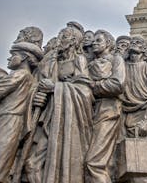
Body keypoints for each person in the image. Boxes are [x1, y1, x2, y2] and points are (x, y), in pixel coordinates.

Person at [27, 26, 94, 183]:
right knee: (31, 165)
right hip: (47, 116)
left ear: (73, 41)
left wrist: (55, 87)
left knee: (33, 164)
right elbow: (35, 83)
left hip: (66, 120)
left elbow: (84, 91)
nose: (59, 40)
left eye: (63, 37)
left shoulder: (80, 60)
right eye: (58, 36)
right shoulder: (51, 61)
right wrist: (37, 94)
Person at [0, 42, 43, 182]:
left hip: (8, 120)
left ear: (24, 57)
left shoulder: (20, 74)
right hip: (12, 121)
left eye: (14, 55)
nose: (9, 58)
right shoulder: (29, 77)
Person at [85, 30, 126, 183]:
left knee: (94, 162)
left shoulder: (116, 60)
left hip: (108, 110)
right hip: (89, 109)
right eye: (93, 40)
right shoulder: (88, 62)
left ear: (108, 43)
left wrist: (93, 86)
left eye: (98, 40)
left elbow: (118, 84)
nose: (94, 43)